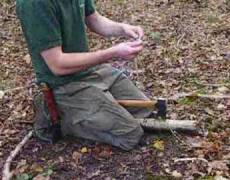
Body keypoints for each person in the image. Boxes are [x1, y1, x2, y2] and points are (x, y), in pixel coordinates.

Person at [16, 0, 151, 150]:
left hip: (90, 71)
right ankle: (61, 120)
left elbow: (95, 20)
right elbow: (58, 65)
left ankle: (98, 108)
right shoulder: (35, 5)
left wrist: (123, 29)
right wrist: (113, 53)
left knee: (145, 111)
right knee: (130, 134)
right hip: (63, 85)